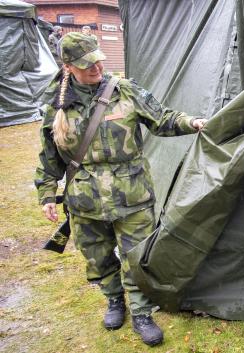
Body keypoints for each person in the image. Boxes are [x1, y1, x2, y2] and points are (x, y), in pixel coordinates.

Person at [34, 32, 207, 347]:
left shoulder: (124, 91)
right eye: (87, 64)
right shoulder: (56, 104)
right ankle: (114, 300)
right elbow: (49, 156)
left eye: (98, 59)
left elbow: (163, 119)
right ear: (68, 66)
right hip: (84, 200)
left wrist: (190, 122)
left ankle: (142, 313)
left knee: (136, 257)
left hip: (132, 196)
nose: (96, 67)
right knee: (98, 258)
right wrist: (46, 194)